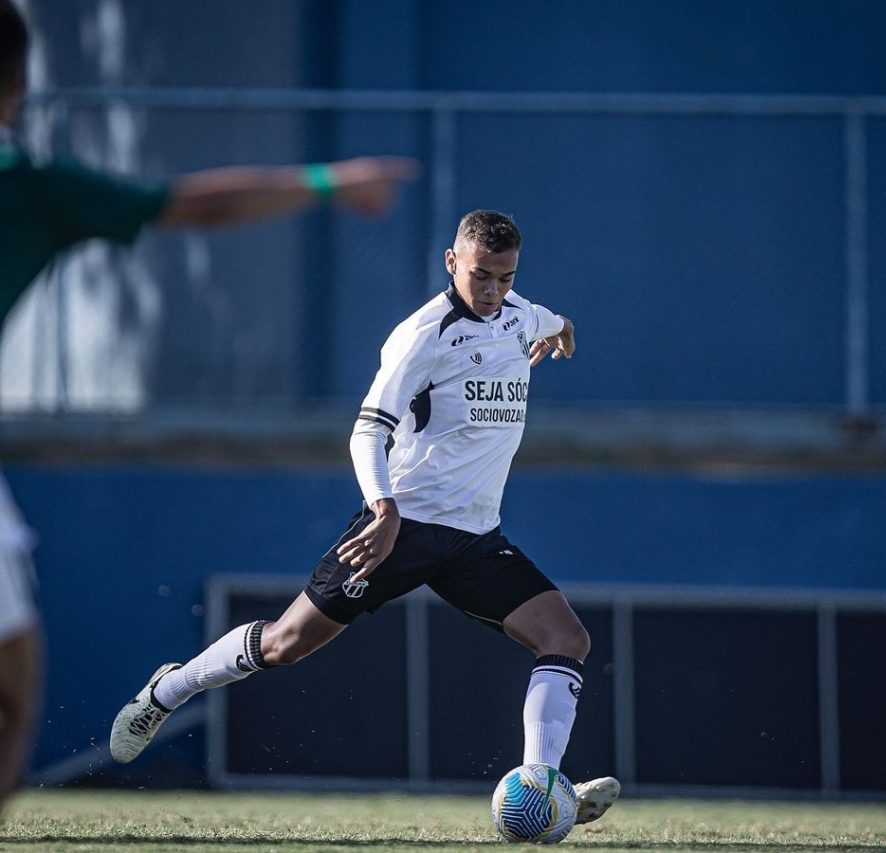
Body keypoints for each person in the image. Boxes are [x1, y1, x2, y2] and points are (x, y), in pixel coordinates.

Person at [0, 0, 417, 812]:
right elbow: (193, 204)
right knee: (13, 690)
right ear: (16, 85)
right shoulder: (32, 188)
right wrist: (327, 181)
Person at [111, 209, 621, 824]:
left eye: (506, 278)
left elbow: (549, 319)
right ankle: (170, 689)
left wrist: (563, 329)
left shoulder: (518, 315)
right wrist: (383, 513)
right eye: (481, 275)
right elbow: (366, 431)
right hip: (401, 528)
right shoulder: (422, 336)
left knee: (567, 639)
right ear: (451, 261)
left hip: (477, 539)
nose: (491, 291)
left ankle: (540, 783)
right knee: (286, 643)